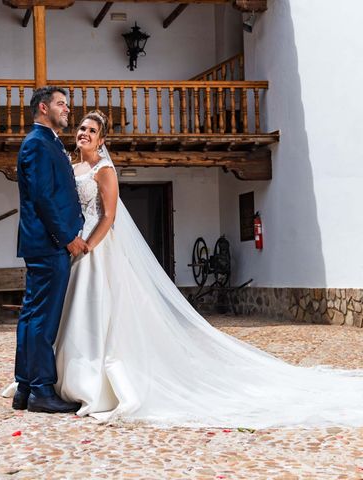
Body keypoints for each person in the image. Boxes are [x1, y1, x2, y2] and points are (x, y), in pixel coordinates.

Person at [49, 109, 363, 427]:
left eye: (91, 130)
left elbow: (109, 216)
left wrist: (88, 246)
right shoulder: (73, 167)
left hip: (97, 246)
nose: (83, 133)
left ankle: (96, 383)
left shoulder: (104, 170)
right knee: (78, 308)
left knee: (99, 307)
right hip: (75, 241)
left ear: (101, 139)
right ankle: (73, 375)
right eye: (81, 128)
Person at [12, 86, 87, 414]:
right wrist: (66, 237)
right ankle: (41, 389)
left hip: (43, 242)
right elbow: (43, 197)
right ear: (43, 108)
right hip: (48, 242)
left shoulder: (47, 142)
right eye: (61, 104)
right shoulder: (38, 144)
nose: (67, 109)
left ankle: (25, 387)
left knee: (32, 314)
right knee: (43, 317)